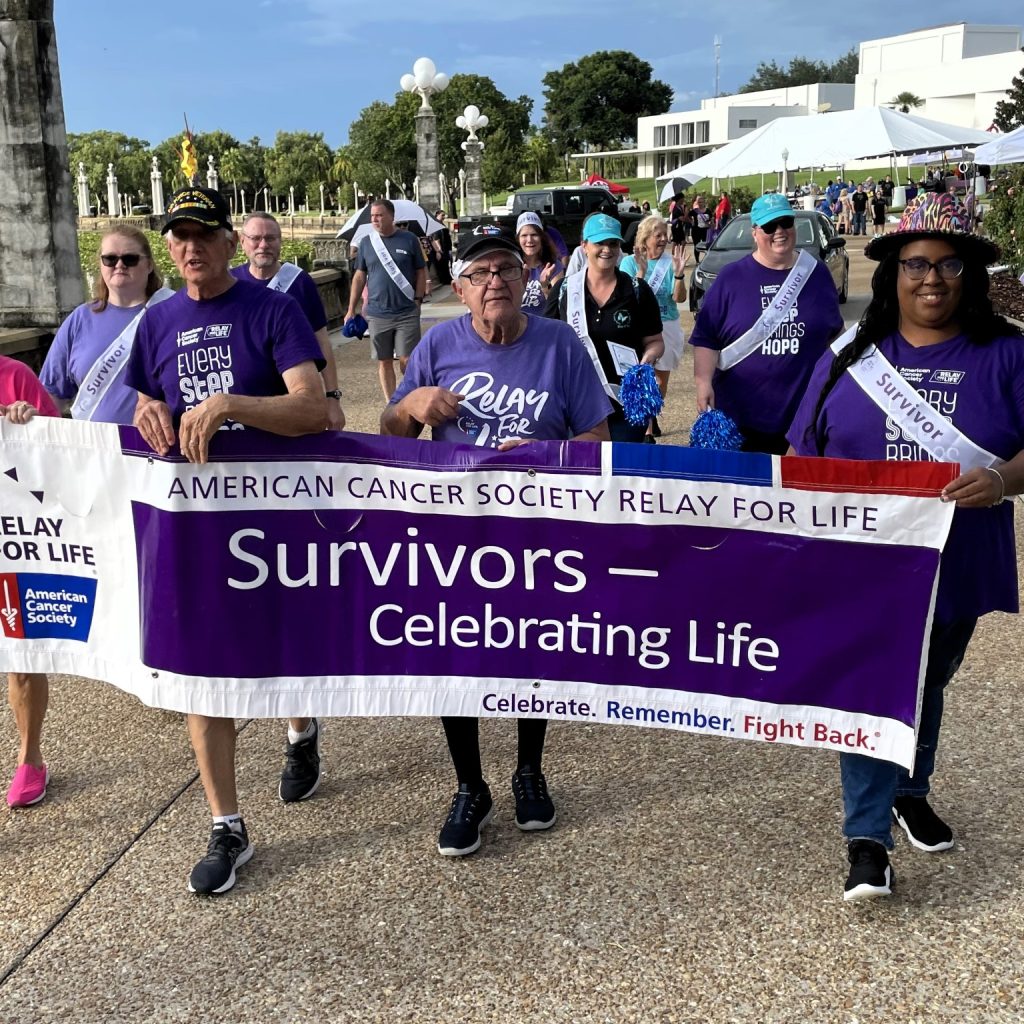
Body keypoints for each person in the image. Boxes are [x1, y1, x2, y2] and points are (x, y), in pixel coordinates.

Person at [787, 191, 1024, 902]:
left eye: (950, 265)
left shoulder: (1009, 353)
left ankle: (908, 787)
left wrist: (1003, 478)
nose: (932, 279)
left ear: (971, 276)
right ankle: (866, 841)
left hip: (960, 558)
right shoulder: (847, 357)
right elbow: (802, 457)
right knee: (875, 687)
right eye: (916, 263)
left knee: (928, 682)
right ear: (890, 272)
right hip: (864, 568)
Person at [124, 186, 330, 895]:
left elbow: (316, 408)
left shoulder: (271, 309)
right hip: (195, 522)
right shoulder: (157, 321)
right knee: (198, 665)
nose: (188, 249)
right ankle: (226, 825)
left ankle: (301, 731)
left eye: (201, 235)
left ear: (227, 243)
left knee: (284, 647)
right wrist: (150, 406)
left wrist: (231, 404)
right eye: (177, 237)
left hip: (274, 520)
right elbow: (145, 395)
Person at [380, 226, 611, 857]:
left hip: (537, 529)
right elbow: (390, 433)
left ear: (525, 279)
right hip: (456, 533)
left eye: (506, 270)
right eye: (480, 274)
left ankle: (529, 769)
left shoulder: (561, 346)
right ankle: (469, 785)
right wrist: (414, 403)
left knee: (530, 650)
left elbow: (597, 436)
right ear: (460, 288)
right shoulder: (436, 345)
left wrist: (543, 452)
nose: (495, 284)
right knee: (456, 656)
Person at [689, 193, 843, 455]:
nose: (779, 232)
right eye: (770, 226)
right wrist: (703, 381)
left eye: (785, 223)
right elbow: (706, 337)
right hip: (741, 418)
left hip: (803, 418)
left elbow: (835, 336)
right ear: (755, 232)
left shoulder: (815, 273)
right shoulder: (730, 278)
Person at [546, 214, 664, 443]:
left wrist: (647, 360)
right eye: (599, 243)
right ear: (584, 246)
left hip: (624, 403)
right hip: (575, 404)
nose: (607, 250)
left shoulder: (637, 290)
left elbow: (655, 341)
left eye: (613, 243)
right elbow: (545, 344)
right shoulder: (564, 290)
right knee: (581, 473)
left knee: (621, 473)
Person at [2, 358, 60, 808]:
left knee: (20, 654)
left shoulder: (14, 374)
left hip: (11, 540)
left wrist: (32, 423)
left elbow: (61, 455)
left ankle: (29, 756)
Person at [41, 226, 172, 424]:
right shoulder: (80, 319)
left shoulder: (172, 313)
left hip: (159, 448)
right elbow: (52, 397)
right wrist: (28, 412)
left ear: (149, 265)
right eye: (110, 259)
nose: (119, 265)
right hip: (96, 450)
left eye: (130, 259)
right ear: (101, 264)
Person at [233, 213, 345, 431]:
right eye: (256, 238)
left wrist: (332, 397)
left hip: (293, 398)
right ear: (242, 241)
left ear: (280, 241)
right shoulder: (231, 283)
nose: (263, 245)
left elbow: (321, 341)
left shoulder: (300, 282)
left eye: (271, 238)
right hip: (244, 401)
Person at [345, 199, 427, 401]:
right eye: (373, 216)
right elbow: (359, 276)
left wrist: (418, 299)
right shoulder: (366, 243)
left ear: (392, 217)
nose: (375, 219)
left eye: (379, 215)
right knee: (384, 360)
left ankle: (409, 396)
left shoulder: (409, 239)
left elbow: (421, 271)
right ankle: (391, 402)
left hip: (407, 310)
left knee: (407, 359)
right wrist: (350, 308)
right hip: (377, 313)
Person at [619, 216, 687, 441]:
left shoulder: (670, 262)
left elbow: (678, 298)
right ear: (645, 238)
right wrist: (641, 272)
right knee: (642, 375)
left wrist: (679, 274)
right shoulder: (629, 263)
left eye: (664, 234)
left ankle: (651, 413)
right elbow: (628, 298)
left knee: (660, 381)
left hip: (666, 323)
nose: (663, 238)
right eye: (658, 234)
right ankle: (647, 429)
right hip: (639, 327)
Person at [515, 212, 564, 312]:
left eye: (534, 235)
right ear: (518, 239)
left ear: (542, 237)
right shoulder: (511, 265)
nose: (529, 240)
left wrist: (545, 286)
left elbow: (558, 305)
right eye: (524, 235)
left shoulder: (553, 265)